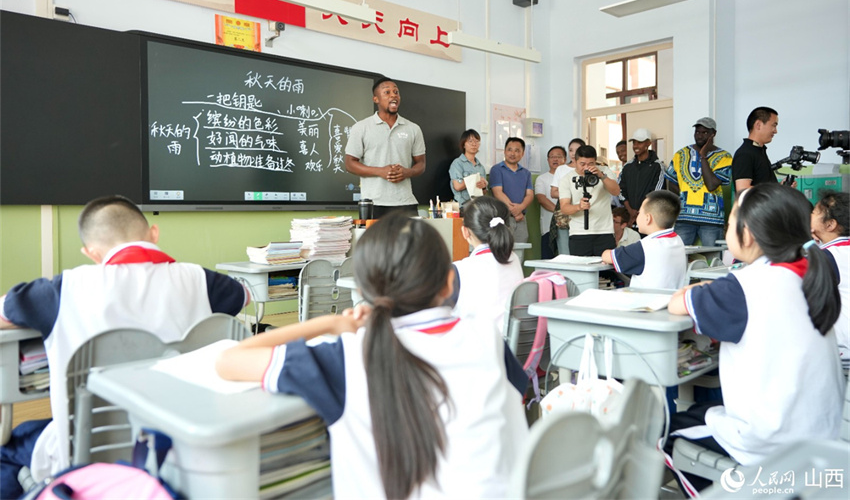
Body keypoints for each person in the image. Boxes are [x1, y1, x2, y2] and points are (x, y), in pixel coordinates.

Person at [216, 213, 529, 499]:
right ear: (449, 282)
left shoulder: (346, 357)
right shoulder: (485, 338)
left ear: (363, 290)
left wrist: (331, 322)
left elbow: (228, 362)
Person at [0, 195, 249, 491]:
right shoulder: (201, 280)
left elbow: (4, 312)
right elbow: (244, 295)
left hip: (87, 452)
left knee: (8, 448)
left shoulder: (63, 290)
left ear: (91, 252)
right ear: (154, 234)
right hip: (186, 444)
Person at [665, 183, 844, 492]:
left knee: (669, 433)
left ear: (746, 234)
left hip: (769, 440)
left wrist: (692, 291)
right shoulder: (811, 270)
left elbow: (676, 304)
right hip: (822, 432)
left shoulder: (743, 286)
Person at [344, 77, 426, 218]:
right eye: (387, 92)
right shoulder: (361, 127)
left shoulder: (413, 128)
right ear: (376, 99)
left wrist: (407, 172)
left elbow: (421, 164)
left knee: (410, 241)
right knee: (376, 241)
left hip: (405, 202)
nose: (393, 95)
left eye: (396, 92)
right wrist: (380, 171)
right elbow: (349, 163)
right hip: (373, 204)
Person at [452, 197, 524, 332]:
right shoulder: (513, 259)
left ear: (465, 232)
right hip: (512, 346)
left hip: (480, 348)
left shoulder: (460, 269)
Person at [664, 117, 732, 247]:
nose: (700, 136)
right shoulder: (681, 154)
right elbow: (671, 181)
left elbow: (712, 185)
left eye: (705, 133)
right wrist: (683, 198)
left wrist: (703, 156)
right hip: (684, 217)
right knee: (678, 255)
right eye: (697, 132)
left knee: (713, 258)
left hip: (711, 219)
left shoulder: (724, 156)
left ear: (713, 134)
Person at [602, 190, 686, 290]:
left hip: (644, 303)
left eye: (639, 213)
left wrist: (606, 254)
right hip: (669, 302)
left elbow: (607, 256)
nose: (637, 216)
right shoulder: (677, 240)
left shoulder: (645, 247)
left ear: (648, 218)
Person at [558, 145, 620, 256]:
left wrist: (601, 175)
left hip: (604, 231)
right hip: (579, 233)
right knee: (580, 270)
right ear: (575, 161)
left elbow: (616, 191)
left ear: (595, 161)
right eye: (582, 164)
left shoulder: (605, 171)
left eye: (591, 164)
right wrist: (579, 206)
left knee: (607, 271)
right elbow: (564, 208)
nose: (586, 167)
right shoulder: (567, 179)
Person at [811, 190, 850, 366]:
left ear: (830, 225)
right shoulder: (840, 250)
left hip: (843, 348)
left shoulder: (830, 257)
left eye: (814, 212)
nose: (809, 215)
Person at [489, 137, 533, 243]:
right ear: (504, 151)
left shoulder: (526, 173)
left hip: (521, 218)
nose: (512, 153)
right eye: (509, 150)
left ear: (522, 153)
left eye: (517, 150)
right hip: (503, 218)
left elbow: (530, 195)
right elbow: (498, 192)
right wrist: (515, 212)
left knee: (519, 254)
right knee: (503, 253)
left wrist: (520, 208)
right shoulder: (496, 169)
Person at [619, 128, 665, 228]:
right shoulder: (627, 167)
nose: (635, 146)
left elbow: (656, 193)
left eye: (639, 142)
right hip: (630, 221)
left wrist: (640, 212)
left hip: (649, 220)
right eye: (634, 143)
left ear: (648, 143)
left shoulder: (657, 166)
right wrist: (630, 211)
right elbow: (620, 190)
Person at [550, 138, 587, 255]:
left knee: (581, 252)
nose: (573, 153)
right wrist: (569, 195)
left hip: (583, 213)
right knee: (565, 251)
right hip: (564, 213)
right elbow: (553, 192)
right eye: (571, 150)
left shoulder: (588, 169)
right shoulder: (561, 169)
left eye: (576, 150)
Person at [731, 106, 778, 194]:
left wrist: (781, 187)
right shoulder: (745, 154)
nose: (775, 131)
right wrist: (775, 190)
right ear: (758, 125)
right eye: (773, 125)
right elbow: (743, 189)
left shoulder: (759, 151)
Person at [535, 146, 566, 259]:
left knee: (567, 257)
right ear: (548, 160)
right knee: (548, 259)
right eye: (552, 157)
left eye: (559, 156)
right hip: (548, 226)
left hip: (569, 226)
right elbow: (541, 199)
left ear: (565, 159)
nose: (555, 159)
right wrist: (562, 213)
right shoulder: (542, 178)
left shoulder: (569, 177)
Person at [448, 129, 488, 210]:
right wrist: (474, 179)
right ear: (464, 144)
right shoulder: (457, 163)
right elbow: (457, 187)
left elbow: (483, 193)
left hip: (478, 207)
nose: (474, 144)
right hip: (462, 207)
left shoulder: (481, 167)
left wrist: (483, 186)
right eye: (470, 141)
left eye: (477, 141)